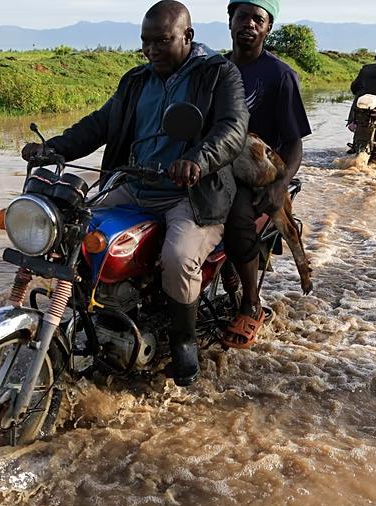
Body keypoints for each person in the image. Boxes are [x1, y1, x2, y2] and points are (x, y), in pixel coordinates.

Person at [21, 0, 249, 386]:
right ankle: (93, 316)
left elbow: (232, 127)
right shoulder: (136, 80)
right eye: (146, 42)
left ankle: (183, 342)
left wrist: (197, 158)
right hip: (133, 185)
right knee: (71, 232)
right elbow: (100, 124)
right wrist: (54, 148)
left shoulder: (218, 74)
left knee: (177, 259)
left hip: (189, 194)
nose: (152, 50)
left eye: (162, 41)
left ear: (187, 36)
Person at [219, 0, 311, 350]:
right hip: (213, 163)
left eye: (259, 19)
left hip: (254, 171)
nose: (250, 25)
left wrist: (279, 184)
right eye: (243, 17)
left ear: (268, 28)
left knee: (238, 213)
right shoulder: (213, 69)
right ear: (230, 21)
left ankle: (251, 303)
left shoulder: (279, 75)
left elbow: (294, 143)